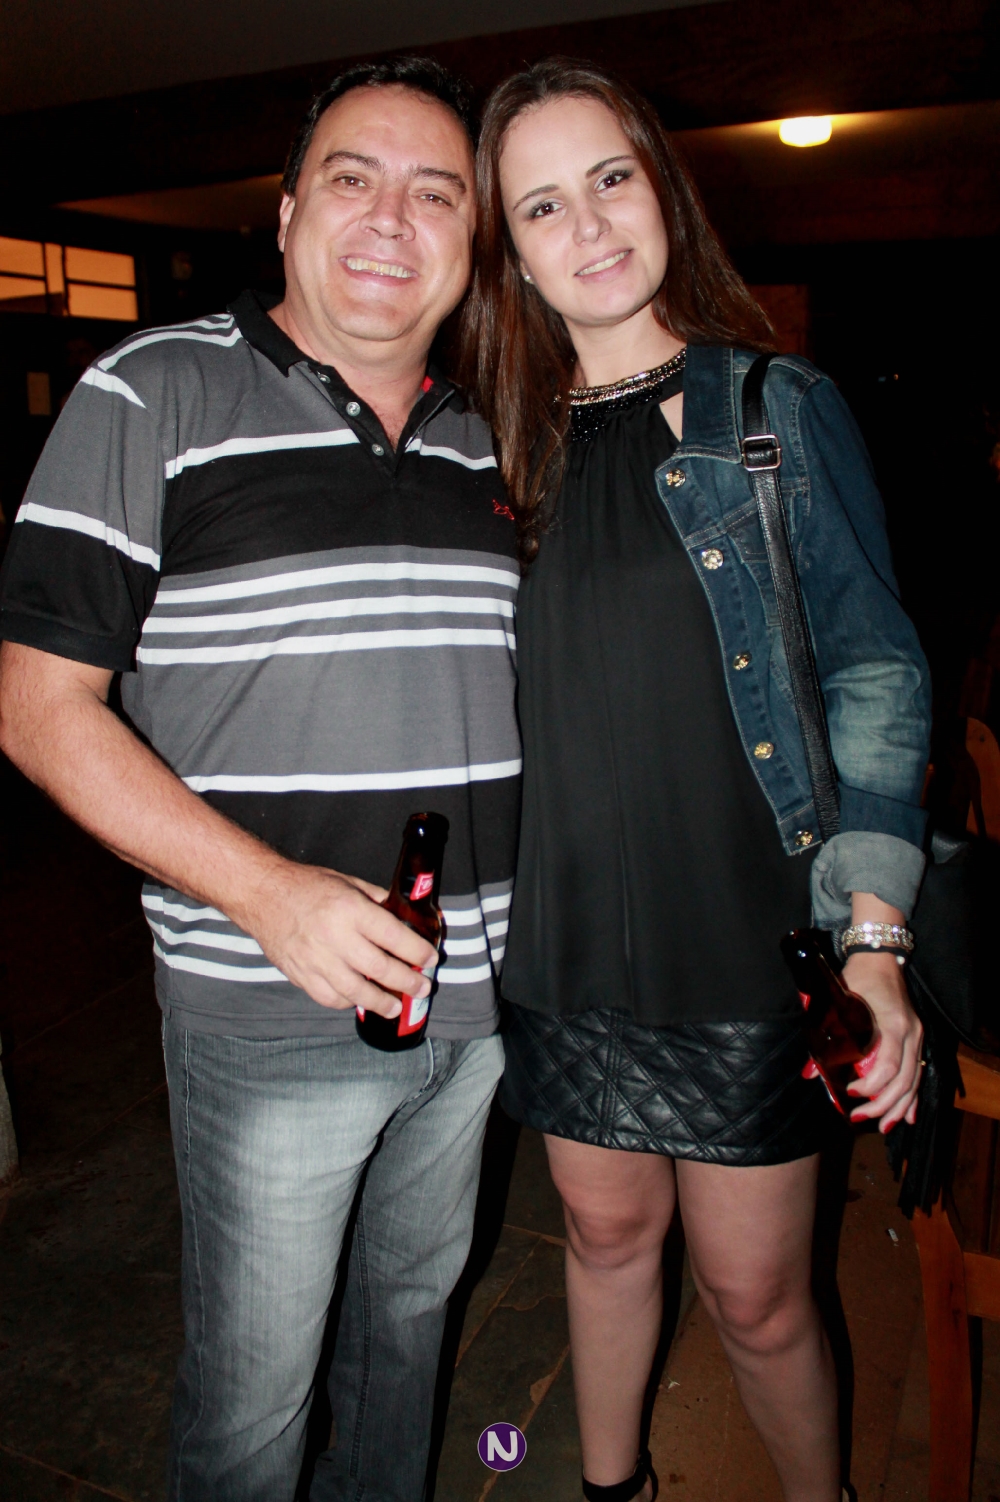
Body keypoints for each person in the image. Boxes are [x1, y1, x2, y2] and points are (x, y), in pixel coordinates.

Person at [0, 58, 521, 1502]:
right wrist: (271, 897)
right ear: (287, 213)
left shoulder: (498, 431)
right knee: (253, 1406)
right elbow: (36, 708)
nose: (391, 218)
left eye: (436, 193)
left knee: (407, 1339)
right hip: (266, 1002)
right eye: (353, 178)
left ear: (472, 241)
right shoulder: (152, 388)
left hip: (477, 1004)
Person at [458, 59, 930, 1502]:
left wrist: (875, 938)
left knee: (757, 1297)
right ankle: (615, 1489)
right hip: (564, 942)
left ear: (661, 184)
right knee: (603, 1240)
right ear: (510, 250)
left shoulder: (774, 408)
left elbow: (879, 672)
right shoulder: (491, 449)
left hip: (740, 940)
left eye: (610, 178)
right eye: (543, 205)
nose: (590, 224)